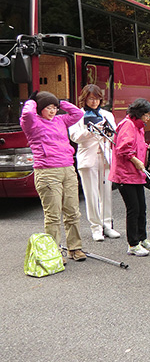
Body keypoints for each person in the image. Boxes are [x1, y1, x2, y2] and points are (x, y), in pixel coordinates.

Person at [20, 91, 87, 263]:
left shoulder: (60, 120)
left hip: (68, 169)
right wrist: (32, 101)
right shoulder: (32, 123)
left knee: (73, 211)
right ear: (40, 108)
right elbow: (27, 112)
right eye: (48, 107)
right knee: (53, 215)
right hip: (47, 172)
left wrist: (60, 102)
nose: (53, 111)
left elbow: (78, 113)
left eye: (55, 108)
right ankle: (54, 251)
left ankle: (75, 248)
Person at [69, 84, 121, 241]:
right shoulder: (78, 115)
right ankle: (96, 228)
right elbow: (74, 137)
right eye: (91, 98)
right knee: (91, 194)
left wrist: (108, 131)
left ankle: (107, 225)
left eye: (97, 98)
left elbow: (115, 134)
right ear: (85, 99)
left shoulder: (107, 114)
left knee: (106, 193)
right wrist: (90, 130)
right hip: (88, 158)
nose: (94, 102)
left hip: (105, 156)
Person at [110, 98, 150, 257]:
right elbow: (123, 149)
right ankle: (133, 244)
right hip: (125, 175)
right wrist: (136, 160)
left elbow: (139, 146)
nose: (148, 118)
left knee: (142, 208)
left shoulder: (137, 127)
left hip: (136, 174)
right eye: (147, 115)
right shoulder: (128, 125)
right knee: (133, 209)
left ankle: (142, 238)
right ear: (139, 114)